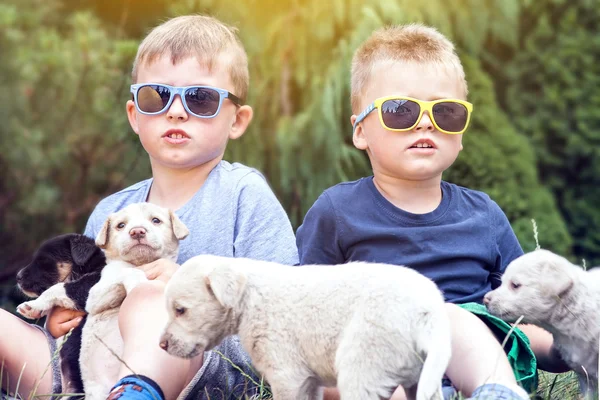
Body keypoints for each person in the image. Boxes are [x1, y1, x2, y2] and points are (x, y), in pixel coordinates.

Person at [0, 15, 298, 400]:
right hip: (89, 369)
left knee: (150, 298)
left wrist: (185, 293)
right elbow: (83, 299)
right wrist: (62, 319)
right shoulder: (114, 211)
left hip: (202, 368)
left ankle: (137, 391)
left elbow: (280, 310)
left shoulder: (244, 194)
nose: (175, 111)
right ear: (134, 115)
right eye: (156, 97)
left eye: (201, 98)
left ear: (237, 120)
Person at [295, 24, 570, 400]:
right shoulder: (337, 212)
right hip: (378, 363)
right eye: (401, 110)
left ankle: (497, 393)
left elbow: (522, 316)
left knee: (453, 319)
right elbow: (306, 312)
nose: (425, 122)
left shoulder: (483, 215)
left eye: (447, 112)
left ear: (460, 133)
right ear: (360, 131)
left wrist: (565, 345)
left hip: (473, 363)